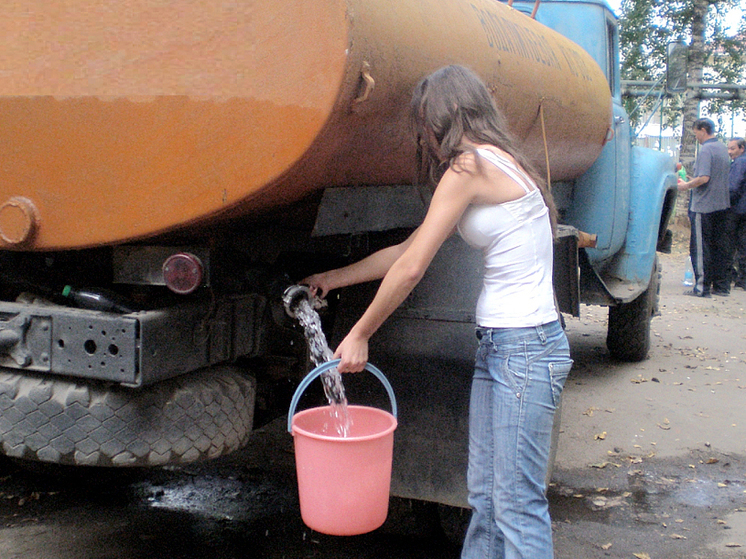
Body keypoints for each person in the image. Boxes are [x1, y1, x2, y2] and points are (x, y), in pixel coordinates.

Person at [302, 65, 573, 559]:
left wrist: (361, 333)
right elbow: (407, 248)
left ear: (441, 118)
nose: (423, 138)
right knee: (488, 497)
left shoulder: (470, 166)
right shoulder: (497, 161)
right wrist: (332, 278)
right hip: (507, 345)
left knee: (515, 503)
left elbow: (410, 269)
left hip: (524, 348)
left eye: (423, 123)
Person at [677, 118, 731, 297]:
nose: (696, 137)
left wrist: (686, 185)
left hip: (704, 206)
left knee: (700, 248)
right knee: (718, 247)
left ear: (703, 130)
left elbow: (704, 178)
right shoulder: (723, 148)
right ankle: (721, 286)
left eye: (696, 133)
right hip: (722, 204)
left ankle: (701, 288)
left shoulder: (706, 149)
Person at [727, 137, 746, 289]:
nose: (730, 152)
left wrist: (726, 202)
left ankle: (738, 278)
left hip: (738, 209)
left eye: (733, 148)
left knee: (734, 243)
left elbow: (734, 187)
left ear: (742, 148)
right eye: (729, 148)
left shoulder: (740, 163)